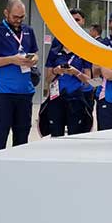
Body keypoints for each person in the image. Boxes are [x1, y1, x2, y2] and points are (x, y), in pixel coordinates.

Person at [0, 0, 39, 153]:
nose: (18, 20)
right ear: (6, 13)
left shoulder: (28, 31)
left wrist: (33, 59)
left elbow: (35, 54)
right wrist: (11, 60)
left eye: (22, 17)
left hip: (25, 92)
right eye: (15, 17)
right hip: (3, 93)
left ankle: (18, 174)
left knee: (22, 139)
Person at [45, 9, 94, 137]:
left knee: (75, 137)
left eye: (77, 20)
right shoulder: (57, 44)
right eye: (71, 20)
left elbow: (90, 81)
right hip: (57, 98)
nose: (74, 23)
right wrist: (56, 70)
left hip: (76, 99)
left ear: (83, 22)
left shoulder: (86, 46)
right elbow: (48, 78)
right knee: (56, 137)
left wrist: (76, 72)